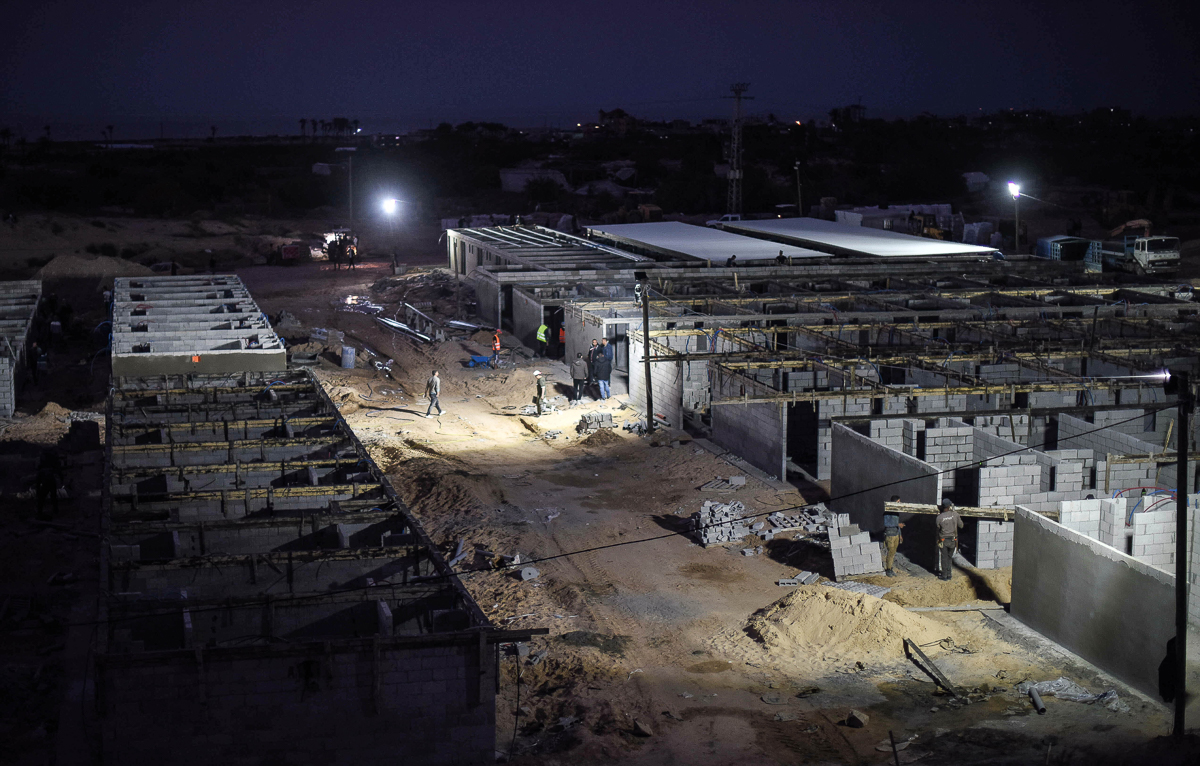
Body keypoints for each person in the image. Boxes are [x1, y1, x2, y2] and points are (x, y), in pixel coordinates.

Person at [934, 498, 963, 581]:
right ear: (949, 506)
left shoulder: (939, 517)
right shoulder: (955, 515)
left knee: (944, 557)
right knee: (949, 557)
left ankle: (944, 575)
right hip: (953, 540)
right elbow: (961, 526)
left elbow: (938, 527)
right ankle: (949, 574)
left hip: (942, 539)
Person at [35, 449, 63, 518]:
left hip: (47, 482)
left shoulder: (42, 470)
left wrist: (37, 490)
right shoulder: (48, 468)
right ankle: (55, 510)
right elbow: (58, 472)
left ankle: (40, 511)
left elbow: (38, 481)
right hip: (51, 481)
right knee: (53, 497)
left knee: (42, 498)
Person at [883, 495, 905, 577]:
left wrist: (900, 535)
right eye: (898, 502)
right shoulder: (887, 511)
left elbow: (897, 525)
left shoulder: (896, 512)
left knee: (893, 552)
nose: (899, 503)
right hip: (890, 535)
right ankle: (888, 569)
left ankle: (890, 568)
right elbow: (886, 523)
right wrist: (898, 524)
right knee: (890, 552)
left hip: (895, 534)